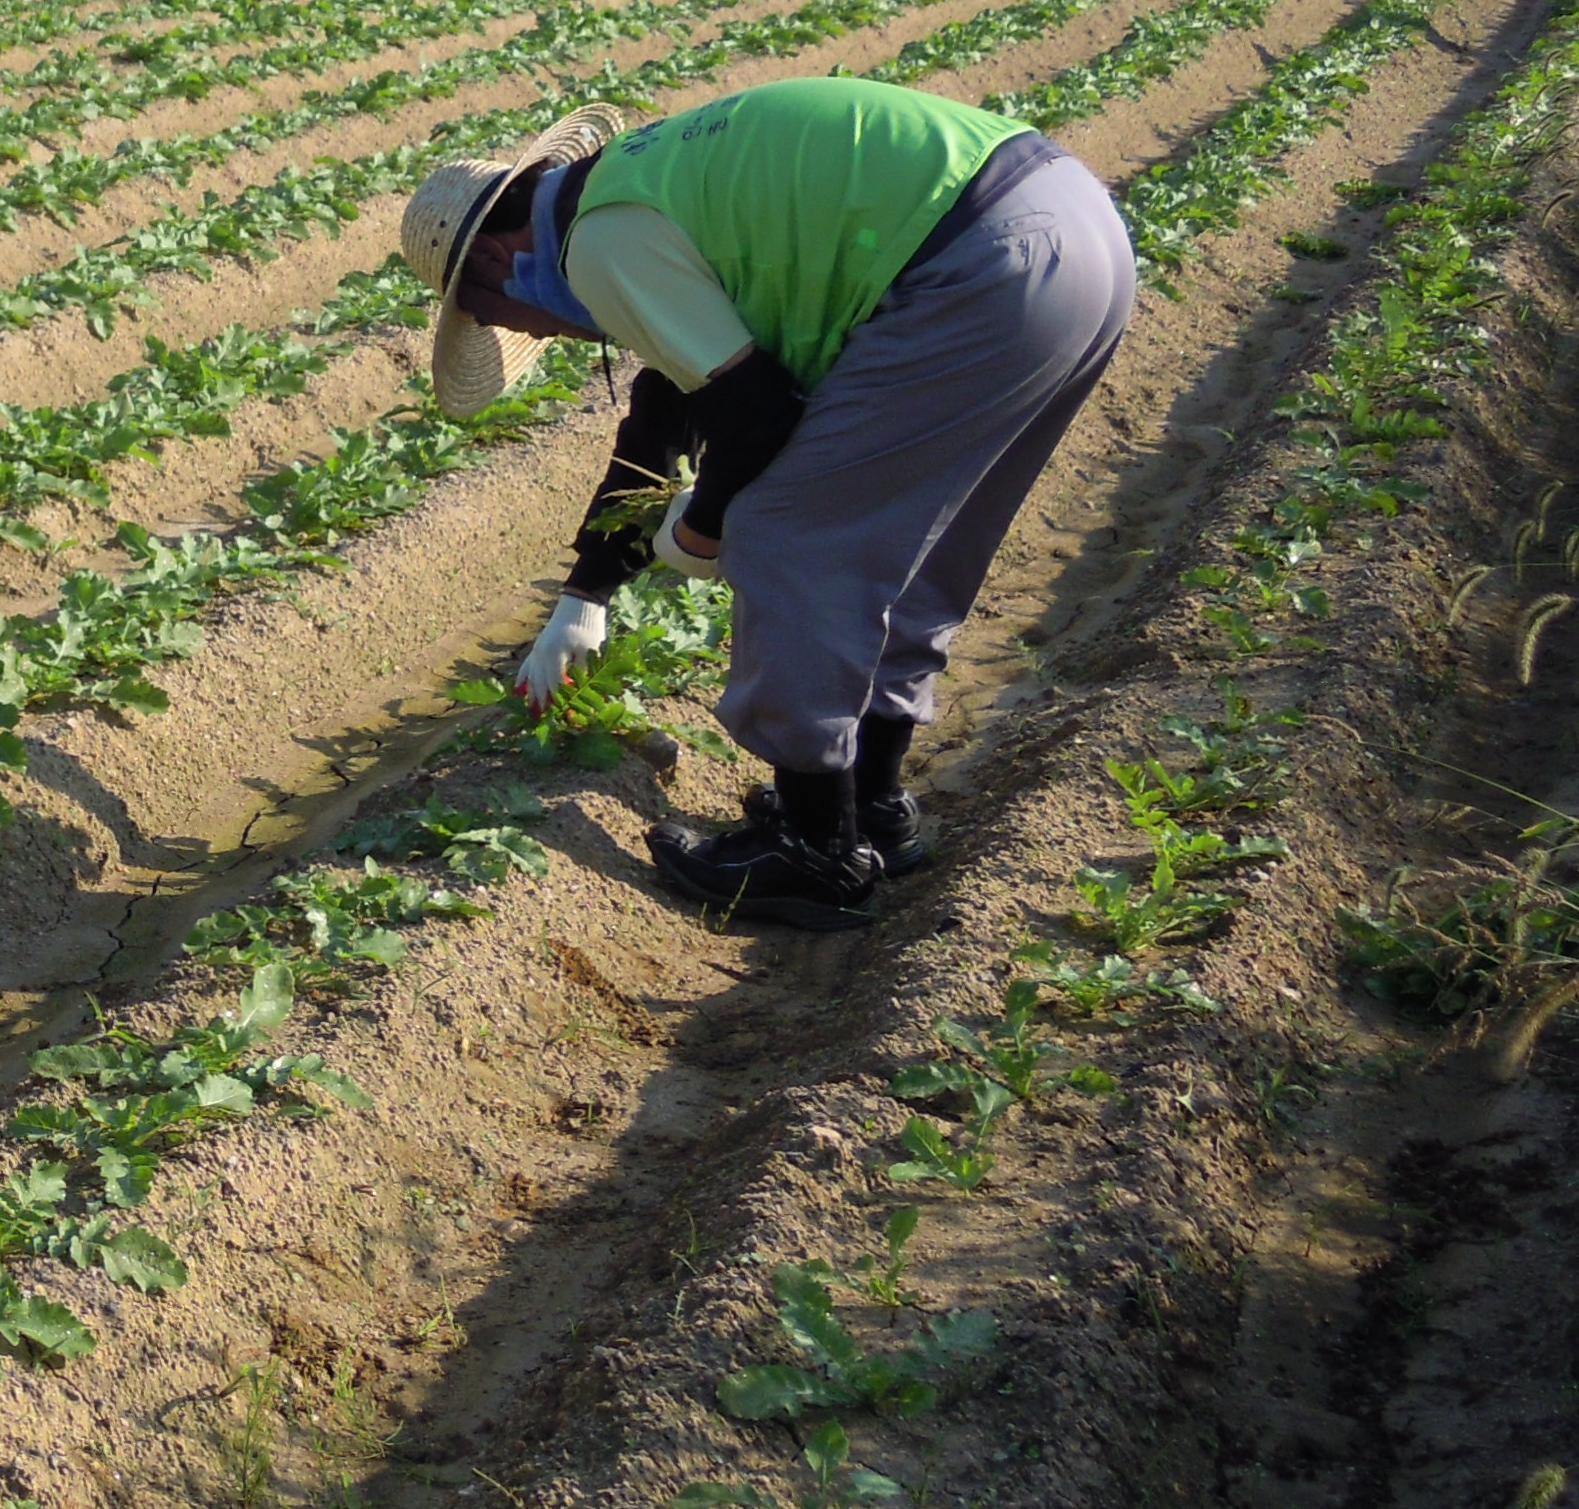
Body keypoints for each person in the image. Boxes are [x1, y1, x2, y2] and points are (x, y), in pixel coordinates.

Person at [399, 77, 1137, 930]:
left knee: (787, 534)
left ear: (496, 260)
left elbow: (756, 418)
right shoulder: (634, 187)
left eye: (496, 316)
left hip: (980, 262)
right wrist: (585, 594)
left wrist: (705, 528)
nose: (528, 334)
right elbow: (669, 404)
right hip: (1077, 234)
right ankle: (871, 802)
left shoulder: (600, 243)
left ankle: (816, 851)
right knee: (920, 539)